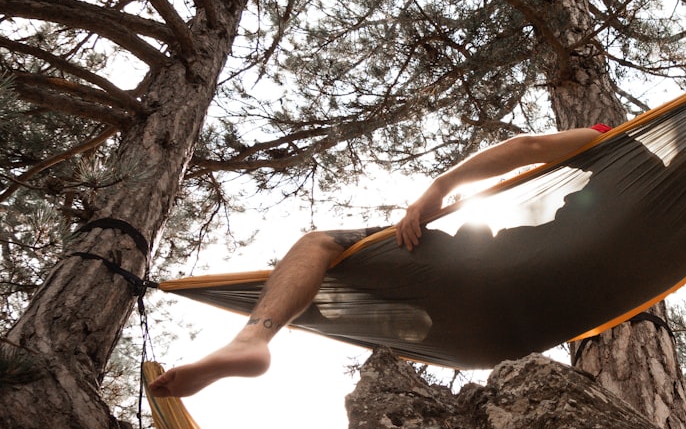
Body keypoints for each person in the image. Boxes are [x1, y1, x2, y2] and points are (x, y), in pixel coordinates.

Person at [147, 126, 605, 397]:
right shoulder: (655, 199)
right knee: (477, 236)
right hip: (502, 335)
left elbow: (526, 148)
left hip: (476, 289)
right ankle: (251, 342)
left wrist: (439, 189)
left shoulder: (613, 141)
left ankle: (253, 338)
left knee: (322, 243)